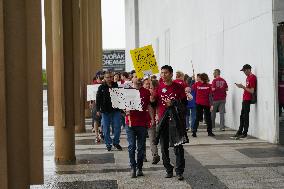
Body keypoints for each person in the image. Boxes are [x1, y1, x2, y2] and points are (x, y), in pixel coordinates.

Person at [151, 65, 187, 181]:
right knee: (163, 147)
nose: (163, 75)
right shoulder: (159, 87)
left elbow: (184, 104)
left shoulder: (178, 87)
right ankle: (168, 169)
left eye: (165, 73)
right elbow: (153, 103)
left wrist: (174, 103)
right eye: (162, 73)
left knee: (178, 146)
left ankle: (180, 171)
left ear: (171, 74)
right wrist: (152, 99)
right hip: (163, 121)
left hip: (175, 121)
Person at [125, 78, 154, 178]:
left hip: (142, 123)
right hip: (130, 123)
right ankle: (133, 167)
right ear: (132, 80)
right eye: (136, 79)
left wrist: (152, 118)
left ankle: (139, 168)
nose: (138, 81)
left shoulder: (146, 92)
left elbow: (149, 106)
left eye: (139, 79)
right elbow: (121, 105)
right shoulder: (127, 91)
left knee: (141, 147)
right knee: (131, 146)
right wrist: (125, 110)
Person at [96, 71, 122, 151]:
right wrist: (98, 109)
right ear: (104, 78)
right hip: (105, 111)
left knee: (117, 127)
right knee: (106, 129)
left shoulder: (116, 85)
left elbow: (120, 97)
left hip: (116, 110)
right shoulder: (101, 87)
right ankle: (108, 143)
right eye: (107, 77)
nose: (109, 79)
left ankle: (116, 142)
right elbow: (98, 99)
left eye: (110, 77)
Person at [234, 64, 257, 138]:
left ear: (248, 70)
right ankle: (240, 131)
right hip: (245, 98)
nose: (243, 72)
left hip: (248, 99)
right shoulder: (248, 77)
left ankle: (244, 132)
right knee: (242, 116)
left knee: (245, 116)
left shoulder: (252, 78)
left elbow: (252, 91)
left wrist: (242, 87)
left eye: (244, 71)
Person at [191, 73, 215, 137]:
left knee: (197, 118)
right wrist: (211, 105)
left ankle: (194, 131)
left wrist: (193, 80)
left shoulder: (197, 84)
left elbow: (191, 88)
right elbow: (211, 96)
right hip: (206, 104)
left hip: (199, 103)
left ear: (201, 78)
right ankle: (209, 132)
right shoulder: (209, 85)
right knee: (208, 118)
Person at [143, 78, 160, 164]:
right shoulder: (139, 93)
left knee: (152, 139)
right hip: (141, 120)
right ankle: (143, 156)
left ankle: (155, 155)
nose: (148, 86)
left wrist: (156, 116)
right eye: (146, 84)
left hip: (151, 119)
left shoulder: (153, 94)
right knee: (141, 139)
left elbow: (156, 105)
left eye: (149, 84)